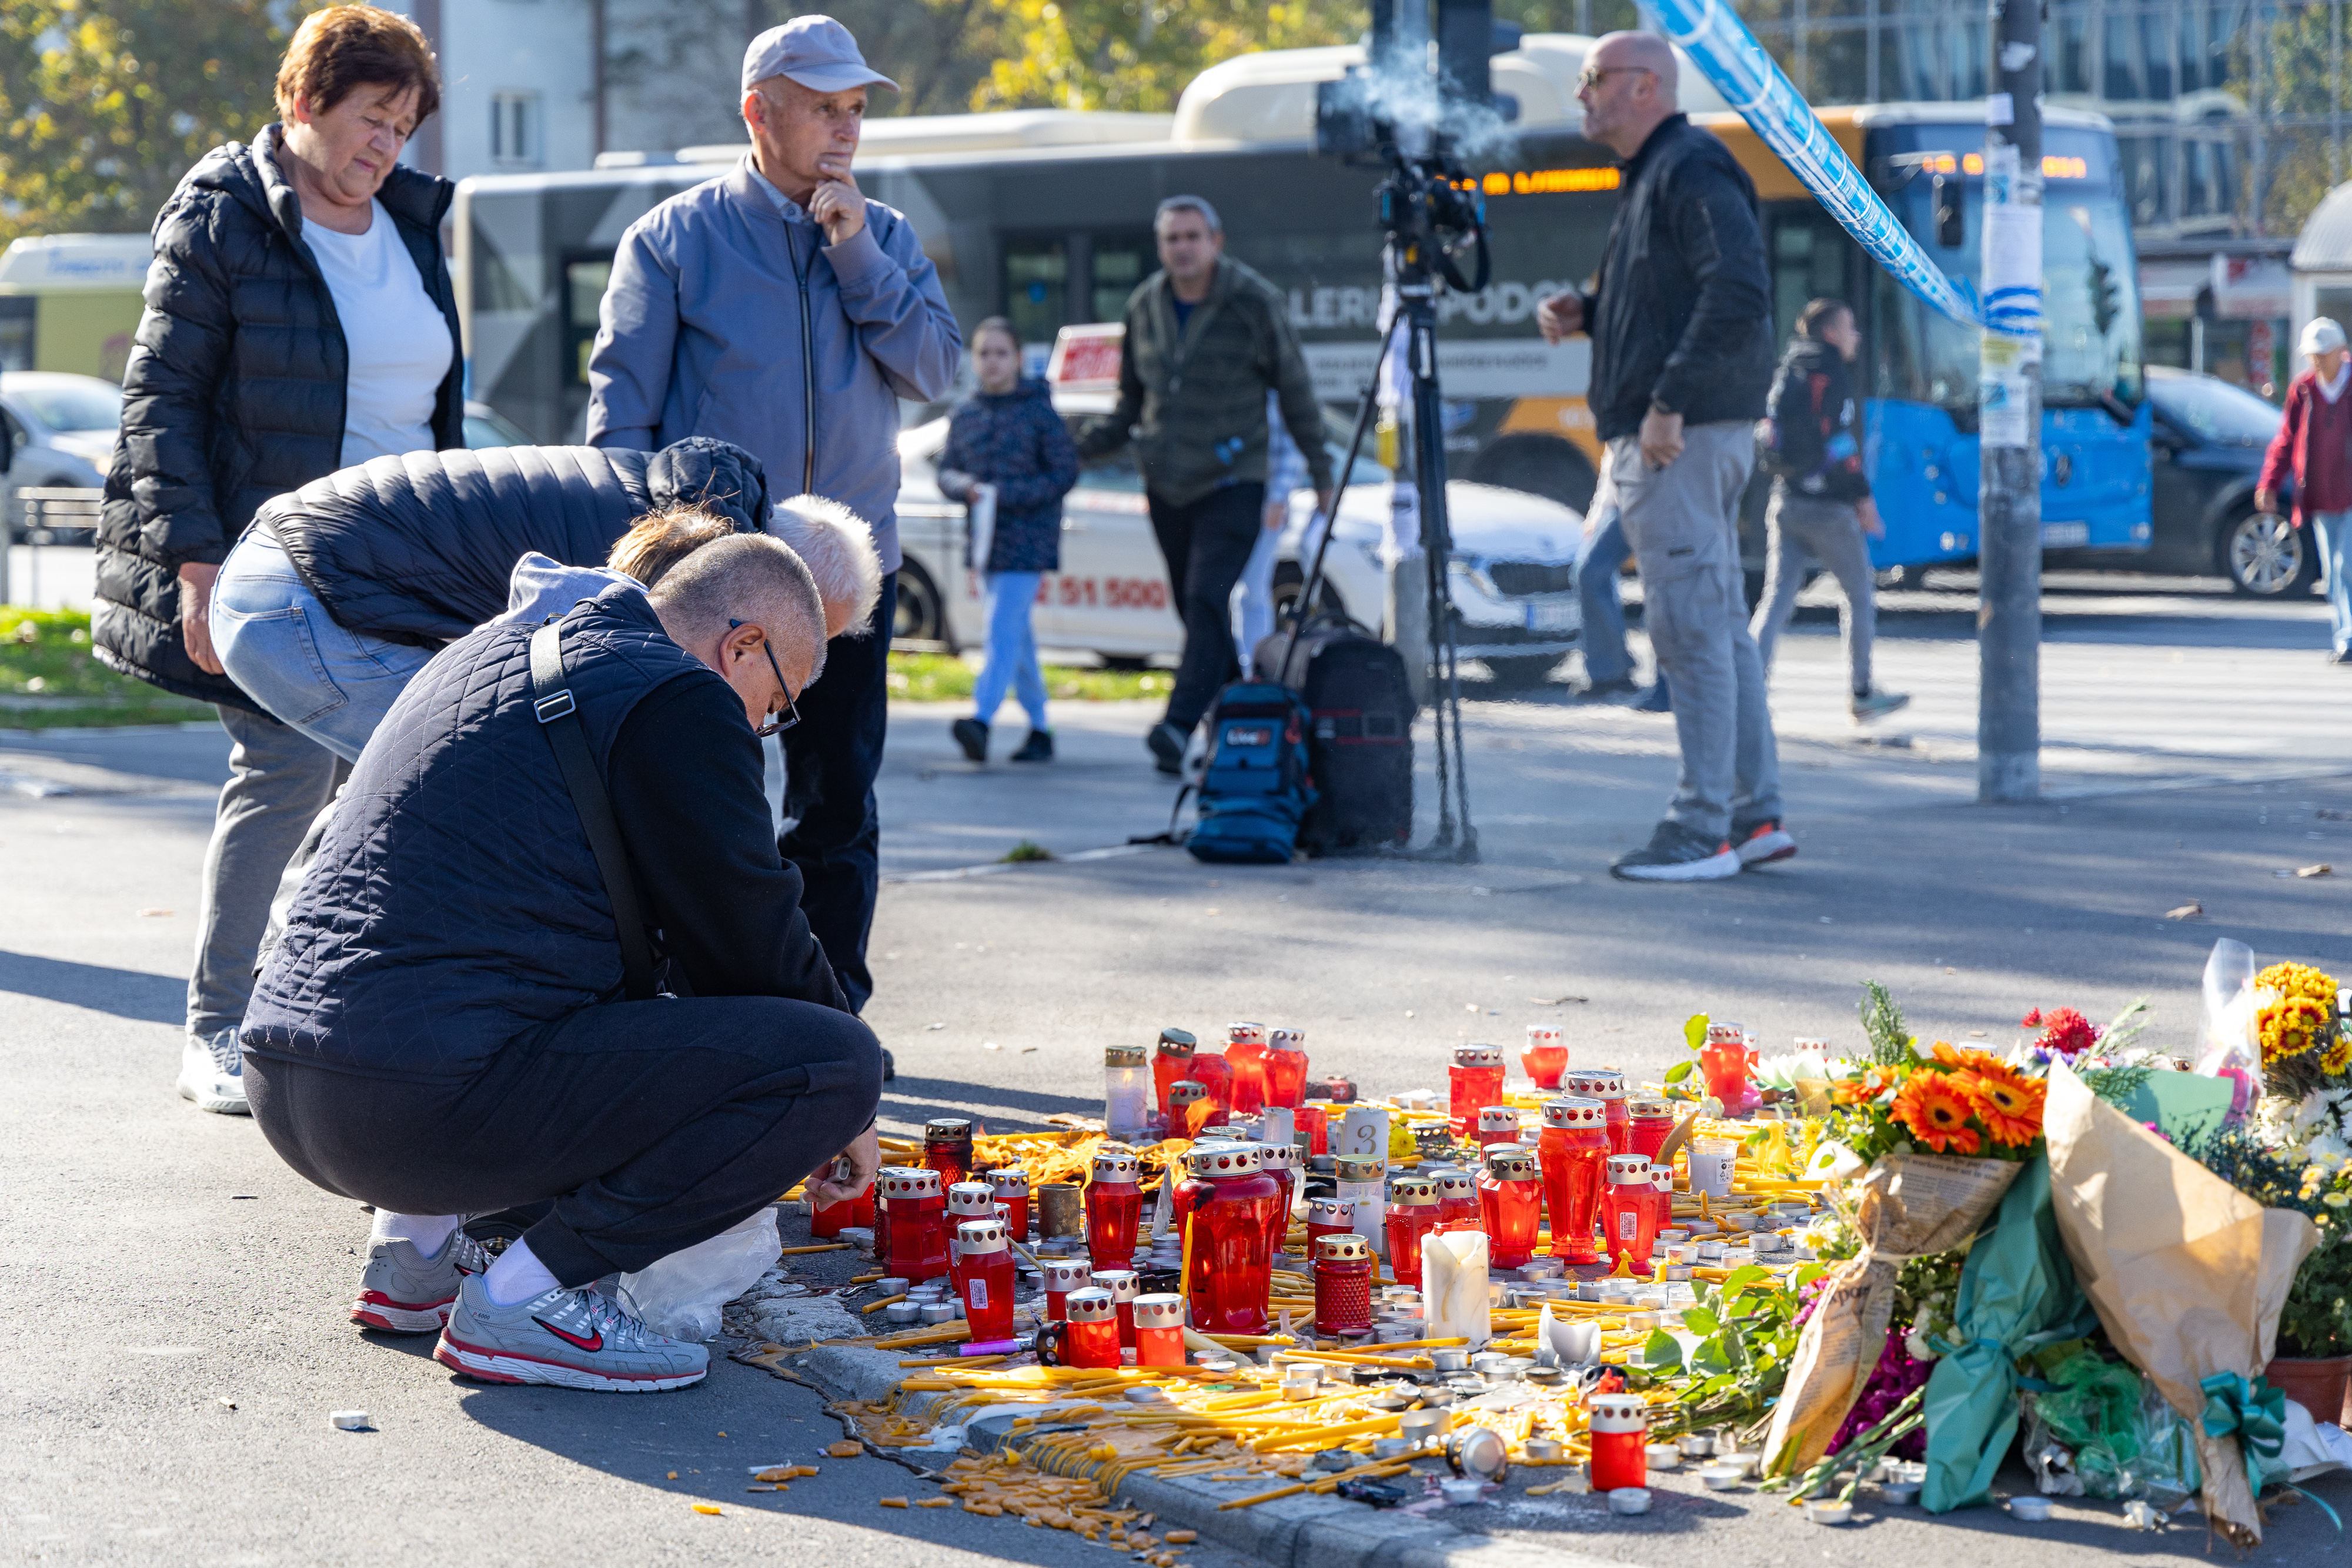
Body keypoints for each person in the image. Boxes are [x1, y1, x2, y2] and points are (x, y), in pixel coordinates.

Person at [242, 534, 881, 1392]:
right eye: (777, 703)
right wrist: (845, 1096)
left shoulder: (491, 647)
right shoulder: (676, 693)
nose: (764, 728)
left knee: (508, 971)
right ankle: (520, 1300)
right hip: (412, 1103)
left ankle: (417, 1257)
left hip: (290, 1085)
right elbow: (748, 922)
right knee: (829, 1063)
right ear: (742, 645)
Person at [89, 5, 462, 1115]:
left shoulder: (409, 220)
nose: (386, 145)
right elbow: (160, 403)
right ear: (301, 103)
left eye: (403, 126)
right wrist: (197, 566)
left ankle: (309, 1002)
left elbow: (430, 408)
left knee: (384, 786)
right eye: (369, 119)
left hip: (407, 559)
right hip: (273, 561)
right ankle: (215, 1023)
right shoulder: (226, 215)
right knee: (289, 771)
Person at [587, 14, 960, 1012]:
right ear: (760, 113)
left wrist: (856, 257)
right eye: (823, 109)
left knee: (838, 804)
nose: (846, 130)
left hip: (844, 581)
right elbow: (621, 416)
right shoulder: (674, 238)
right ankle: (702, 1006)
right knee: (699, 804)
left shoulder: (881, 235)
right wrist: (641, 564)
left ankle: (830, 1011)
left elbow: (936, 367)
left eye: (855, 110)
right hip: (713, 583)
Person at [1536, 32, 1787, 882]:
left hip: (1677, 437)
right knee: (1716, 627)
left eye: (1592, 80)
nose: (1582, 96)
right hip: (1687, 431)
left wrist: (1667, 401)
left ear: (1645, 87)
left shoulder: (1685, 166)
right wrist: (1595, 310)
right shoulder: (1661, 171)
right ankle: (1754, 817)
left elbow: (1740, 290)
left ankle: (1701, 827)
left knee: (1689, 633)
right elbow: (1685, 292)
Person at [1078, 195, 1336, 774]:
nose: (1183, 248)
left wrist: (1322, 473)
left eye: (1193, 237)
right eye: (1172, 239)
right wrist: (1078, 449)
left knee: (1205, 596)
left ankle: (1176, 724)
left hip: (1233, 480)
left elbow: (1296, 393)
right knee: (1197, 613)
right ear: (1161, 245)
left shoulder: (1252, 302)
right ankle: (1238, 726)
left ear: (1215, 241)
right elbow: (1129, 404)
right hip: (1166, 484)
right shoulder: (1145, 305)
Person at [1749, 299, 1910, 721]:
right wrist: (1863, 500)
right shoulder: (1832, 373)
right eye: (1851, 327)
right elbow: (1840, 443)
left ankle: (1748, 687)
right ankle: (1861, 692)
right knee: (1858, 595)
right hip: (1829, 509)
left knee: (1777, 598)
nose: (1857, 336)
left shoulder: (1788, 367)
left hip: (1786, 500)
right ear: (1831, 333)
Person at [939, 316, 1079, 763]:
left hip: (1028, 541)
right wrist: (968, 488)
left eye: (1001, 353)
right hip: (986, 542)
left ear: (1018, 358)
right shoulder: (967, 413)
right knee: (1017, 637)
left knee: (1001, 626)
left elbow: (1064, 472)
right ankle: (1041, 729)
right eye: (984, 353)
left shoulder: (1039, 410)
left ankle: (981, 718)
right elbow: (947, 470)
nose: (992, 362)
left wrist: (1009, 496)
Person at [2257, 316, 2352, 664]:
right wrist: (2269, 483)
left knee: (2347, 566)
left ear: (2341, 352)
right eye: (2312, 355)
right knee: (2332, 572)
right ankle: (2345, 634)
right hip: (2320, 496)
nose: (2317, 361)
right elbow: (2286, 439)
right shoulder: (2303, 388)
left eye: (2323, 354)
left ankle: (2349, 638)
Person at [1575, 449, 1671, 710]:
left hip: (1660, 498)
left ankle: (1668, 686)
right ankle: (1610, 673)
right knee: (1589, 573)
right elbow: (1613, 457)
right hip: (1622, 502)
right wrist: (1598, 512)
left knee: (1660, 587)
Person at [1231, 390, 1311, 667]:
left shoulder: (1267, 390)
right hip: (1219, 505)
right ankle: (1240, 668)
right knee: (1224, 593)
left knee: (1251, 593)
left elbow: (1291, 448)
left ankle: (1254, 669)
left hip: (1261, 505)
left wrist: (1278, 498)